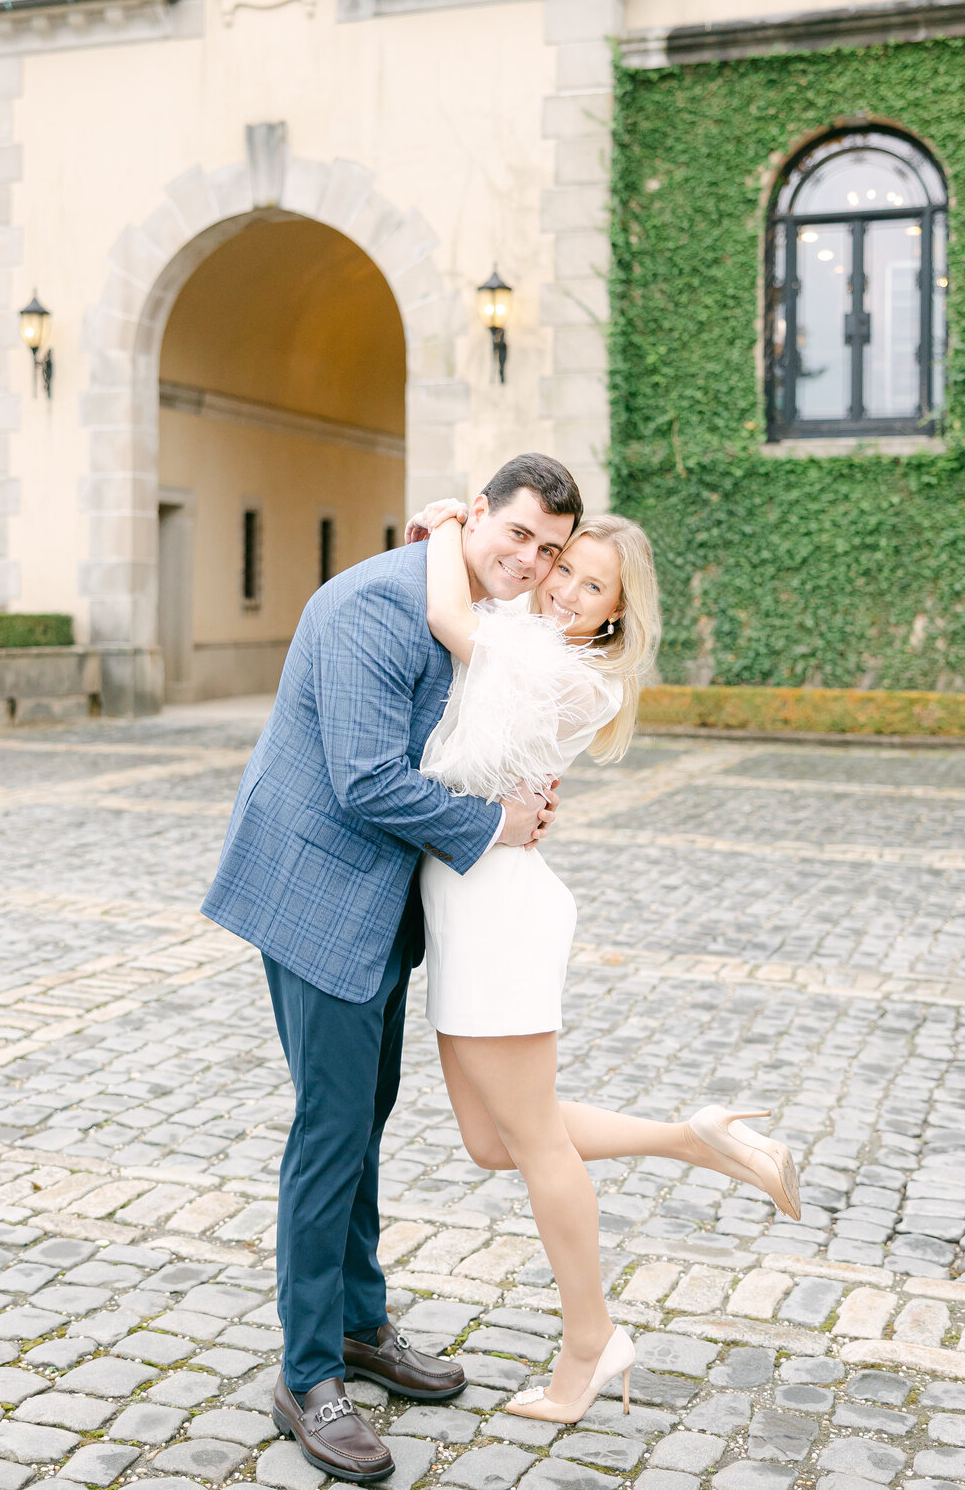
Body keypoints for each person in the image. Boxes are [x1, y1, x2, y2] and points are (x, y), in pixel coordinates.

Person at [201, 454, 584, 1485]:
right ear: (477, 515)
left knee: (364, 1115)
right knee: (331, 1129)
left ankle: (363, 1324)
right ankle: (308, 1372)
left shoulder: (454, 590)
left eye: (548, 550)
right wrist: (496, 824)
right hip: (317, 890)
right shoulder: (375, 608)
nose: (530, 561)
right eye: (517, 536)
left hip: (381, 900)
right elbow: (365, 780)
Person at [404, 498, 801, 1424]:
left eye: (593, 588)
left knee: (533, 1144)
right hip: (467, 902)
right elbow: (478, 625)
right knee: (490, 1140)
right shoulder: (522, 635)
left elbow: (446, 617)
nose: (568, 594)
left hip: (500, 909)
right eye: (564, 569)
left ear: (615, 613)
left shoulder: (580, 683)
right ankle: (692, 1138)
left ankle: (591, 1342)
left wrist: (432, 534)